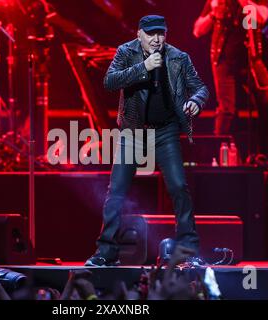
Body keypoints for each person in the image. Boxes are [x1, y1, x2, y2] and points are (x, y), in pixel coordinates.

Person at [85, 15, 209, 267]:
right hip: (132, 131)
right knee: (116, 191)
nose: (156, 39)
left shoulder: (178, 57)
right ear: (139, 34)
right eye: (151, 34)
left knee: (178, 187)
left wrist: (196, 101)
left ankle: (188, 250)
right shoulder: (126, 52)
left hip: (165, 132)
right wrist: (144, 68)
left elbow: (201, 87)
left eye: (161, 34)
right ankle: (106, 252)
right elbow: (110, 81)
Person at [193, 0, 268, 160]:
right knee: (226, 110)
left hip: (250, 58)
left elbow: (262, 17)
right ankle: (219, 157)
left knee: (266, 104)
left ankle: (264, 156)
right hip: (223, 59)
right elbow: (197, 30)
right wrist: (213, 14)